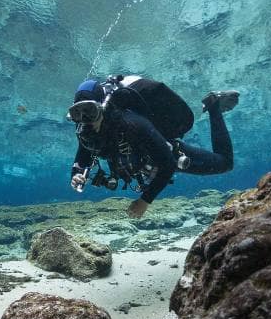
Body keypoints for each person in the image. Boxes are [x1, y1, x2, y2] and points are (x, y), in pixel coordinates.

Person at [68, 75, 238, 218]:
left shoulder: (132, 123)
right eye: (77, 113)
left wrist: (144, 201)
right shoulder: (86, 131)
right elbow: (82, 157)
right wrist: (76, 175)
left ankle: (213, 104)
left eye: (89, 110)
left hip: (162, 153)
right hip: (144, 162)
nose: (85, 119)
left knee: (225, 163)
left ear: (102, 107)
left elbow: (168, 163)